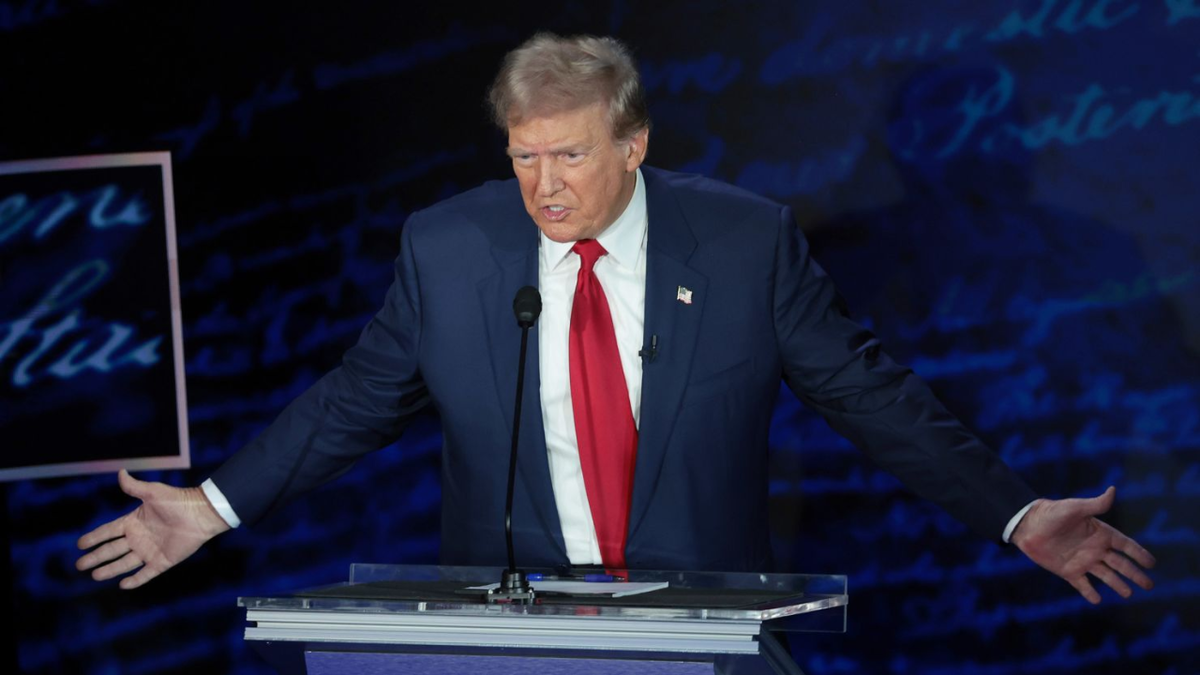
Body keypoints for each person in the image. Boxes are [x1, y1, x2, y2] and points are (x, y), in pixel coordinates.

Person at [78, 33, 1155, 604]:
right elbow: (356, 400)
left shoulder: (744, 243)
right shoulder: (450, 249)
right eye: (523, 156)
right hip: (509, 633)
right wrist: (211, 509)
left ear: (632, 146)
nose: (543, 186)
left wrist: (1016, 516)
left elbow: (872, 399)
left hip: (701, 622)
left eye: (571, 154)